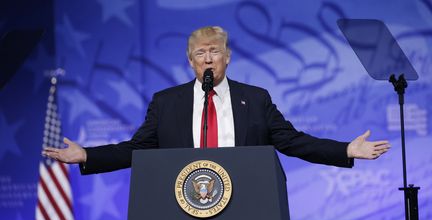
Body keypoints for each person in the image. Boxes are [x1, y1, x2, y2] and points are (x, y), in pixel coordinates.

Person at [43, 26, 390, 174]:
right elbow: (137, 149)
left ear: (227, 57)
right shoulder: (166, 103)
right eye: (200, 53)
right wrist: (88, 155)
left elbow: (292, 142)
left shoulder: (254, 100)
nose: (208, 58)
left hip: (247, 208)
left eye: (214, 51)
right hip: (184, 209)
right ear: (190, 62)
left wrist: (346, 150)